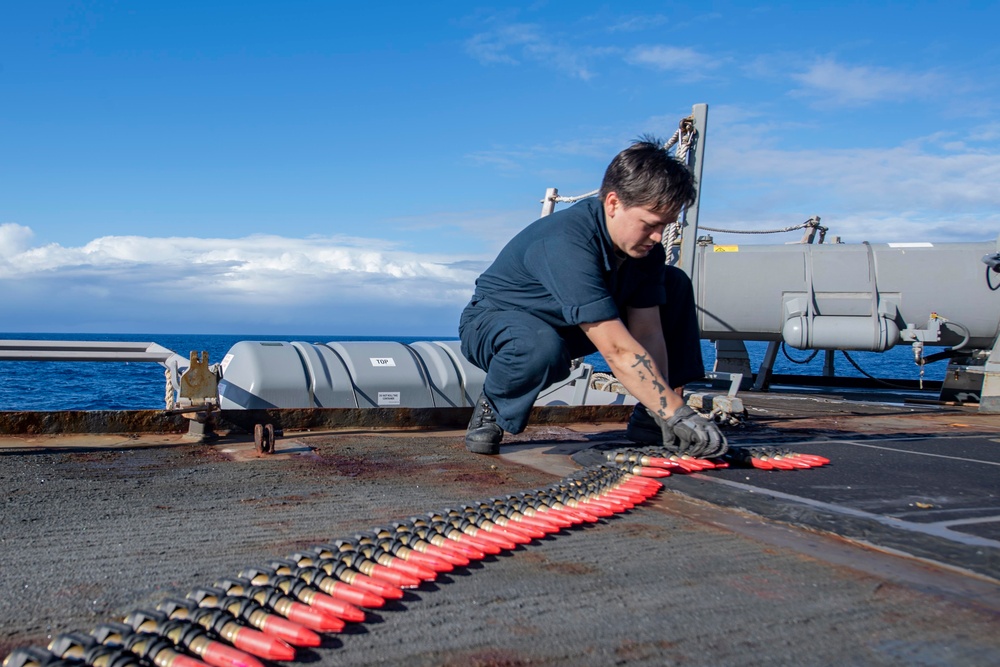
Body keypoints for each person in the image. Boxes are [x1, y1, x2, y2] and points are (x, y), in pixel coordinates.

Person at [458, 138, 727, 458]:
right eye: (650, 225)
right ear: (613, 203)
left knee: (675, 283)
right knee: (539, 345)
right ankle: (494, 405)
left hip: (569, 324)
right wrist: (681, 414)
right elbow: (615, 348)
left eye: (664, 227)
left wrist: (667, 409)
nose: (657, 238)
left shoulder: (645, 250)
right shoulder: (568, 242)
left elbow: (648, 332)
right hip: (498, 323)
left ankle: (650, 419)